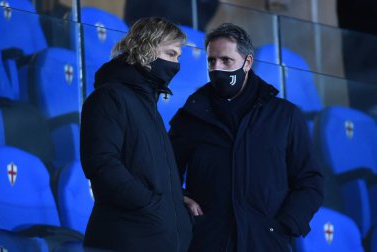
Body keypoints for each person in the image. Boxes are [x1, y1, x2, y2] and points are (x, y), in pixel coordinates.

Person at [169, 23, 324, 251]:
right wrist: (180, 199)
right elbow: (164, 170)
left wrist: (283, 226)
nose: (217, 68)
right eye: (212, 61)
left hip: (265, 243)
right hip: (208, 242)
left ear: (247, 62)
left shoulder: (285, 116)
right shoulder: (191, 115)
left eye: (226, 60)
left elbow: (310, 181)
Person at [80, 17, 192, 251]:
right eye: (171, 54)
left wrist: (175, 200)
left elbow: (148, 172)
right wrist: (148, 205)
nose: (176, 64)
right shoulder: (110, 97)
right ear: (147, 49)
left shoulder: (149, 107)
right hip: (125, 240)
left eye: (178, 57)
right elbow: (101, 163)